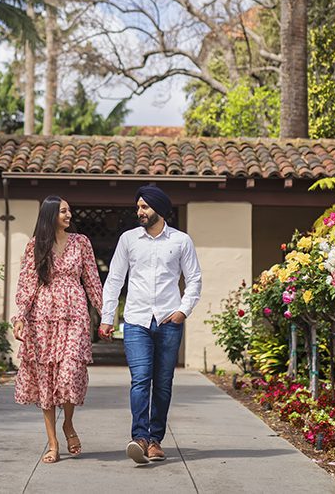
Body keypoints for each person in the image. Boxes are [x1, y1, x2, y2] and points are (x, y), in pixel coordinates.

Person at [99, 185, 202, 464]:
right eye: (138, 207)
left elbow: (194, 279)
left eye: (144, 207)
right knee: (141, 380)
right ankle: (140, 438)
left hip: (170, 320)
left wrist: (183, 311)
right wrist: (108, 317)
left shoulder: (181, 241)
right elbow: (115, 280)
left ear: (159, 208)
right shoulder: (129, 240)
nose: (140, 212)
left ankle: (156, 440)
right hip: (136, 320)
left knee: (164, 383)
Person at [14, 196, 104, 464]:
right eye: (63, 211)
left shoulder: (81, 242)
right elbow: (27, 284)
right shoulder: (35, 246)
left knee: (70, 371)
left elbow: (91, 280)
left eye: (69, 211)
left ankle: (68, 423)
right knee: (46, 380)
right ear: (50, 215)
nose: (68, 215)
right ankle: (53, 443)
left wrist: (104, 313)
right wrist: (20, 317)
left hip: (75, 312)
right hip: (42, 317)